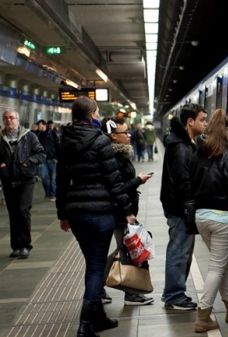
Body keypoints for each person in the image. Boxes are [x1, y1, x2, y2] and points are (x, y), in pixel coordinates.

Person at [56, 96, 135, 337]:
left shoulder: (65, 141)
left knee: (92, 263)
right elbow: (113, 181)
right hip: (101, 213)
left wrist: (63, 213)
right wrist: (127, 210)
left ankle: (98, 318)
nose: (99, 116)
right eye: (97, 112)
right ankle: (86, 324)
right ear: (91, 115)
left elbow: (60, 182)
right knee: (95, 267)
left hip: (77, 213)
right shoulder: (101, 141)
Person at [191, 109, 228, 333]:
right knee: (217, 267)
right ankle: (203, 314)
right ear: (224, 129)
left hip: (201, 216)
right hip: (222, 217)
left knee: (221, 263)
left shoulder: (198, 150)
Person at [100, 117, 154, 306]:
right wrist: (138, 180)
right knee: (126, 250)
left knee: (124, 249)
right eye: (125, 132)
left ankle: (100, 288)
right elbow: (118, 188)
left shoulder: (120, 154)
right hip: (120, 211)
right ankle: (127, 292)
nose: (129, 135)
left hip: (122, 209)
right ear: (114, 137)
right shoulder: (114, 158)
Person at [160, 103, 207, 310]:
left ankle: (176, 293)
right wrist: (190, 208)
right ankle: (174, 295)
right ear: (190, 122)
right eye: (202, 119)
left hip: (180, 206)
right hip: (180, 207)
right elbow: (183, 181)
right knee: (179, 251)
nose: (205, 123)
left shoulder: (184, 143)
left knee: (183, 251)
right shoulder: (180, 147)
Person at [0, 111, 46, 259]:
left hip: (26, 179)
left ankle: (26, 245)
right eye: (5, 118)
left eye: (11, 118)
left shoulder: (29, 136)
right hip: (8, 180)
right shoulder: (0, 138)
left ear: (18, 120)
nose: (8, 121)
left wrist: (28, 162)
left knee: (23, 210)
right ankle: (16, 246)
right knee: (13, 213)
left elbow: (41, 154)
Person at [34, 119, 60, 201]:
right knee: (44, 178)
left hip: (52, 159)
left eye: (39, 125)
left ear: (44, 125)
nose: (38, 127)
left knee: (53, 178)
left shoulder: (52, 133)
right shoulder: (38, 134)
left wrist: (57, 157)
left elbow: (57, 145)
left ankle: (53, 195)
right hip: (42, 160)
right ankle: (48, 193)